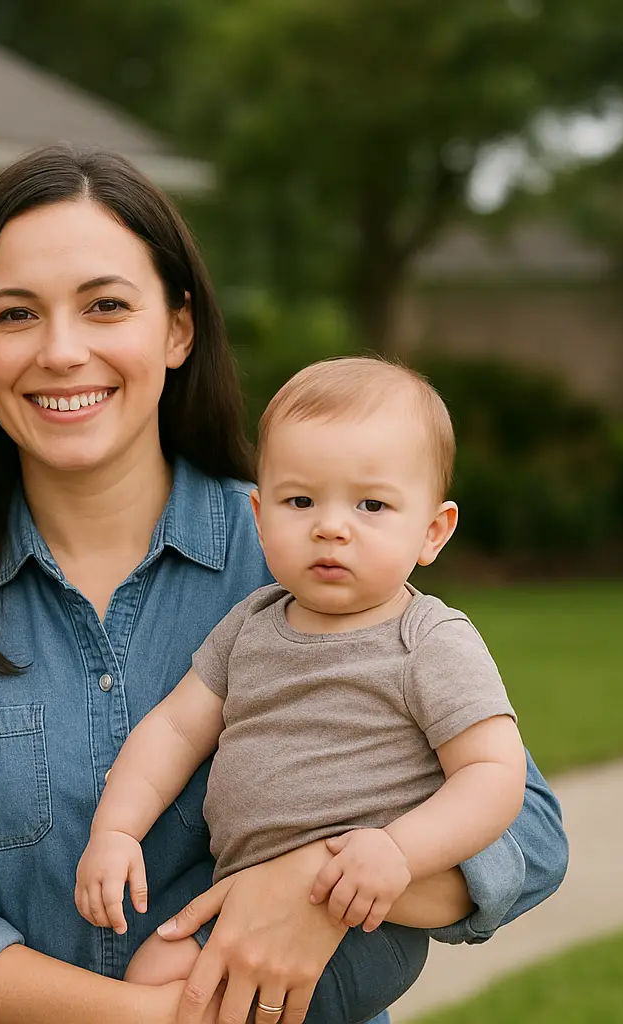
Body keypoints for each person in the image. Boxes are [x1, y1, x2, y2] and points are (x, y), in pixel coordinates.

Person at [0, 144, 568, 1024]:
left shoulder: (305, 561)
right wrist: (148, 1019)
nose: (63, 351)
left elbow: (530, 835)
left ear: (177, 328)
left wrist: (310, 886)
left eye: (106, 306)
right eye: (17, 314)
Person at [76, 358, 527, 1013]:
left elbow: (494, 772)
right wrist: (115, 832)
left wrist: (399, 851)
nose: (331, 525)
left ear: (433, 531)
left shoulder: (429, 640)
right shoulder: (250, 626)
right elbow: (174, 730)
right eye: (300, 500)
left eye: (371, 504)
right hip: (244, 891)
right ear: (259, 516)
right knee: (156, 975)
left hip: (362, 907)